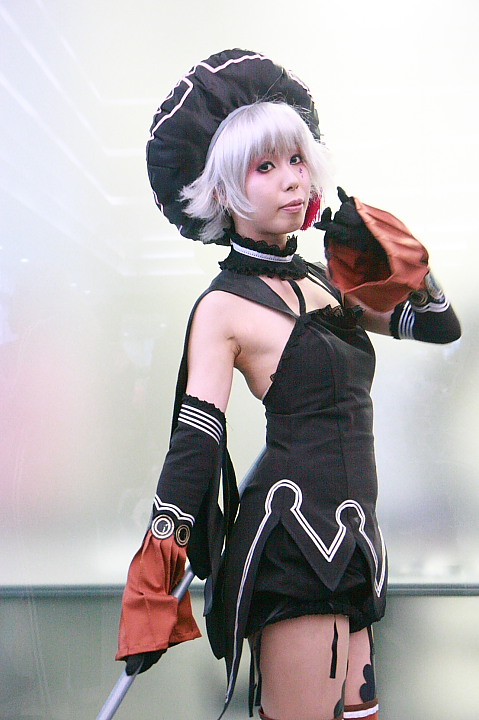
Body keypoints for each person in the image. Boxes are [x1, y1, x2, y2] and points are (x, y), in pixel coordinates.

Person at [115, 49, 461, 720]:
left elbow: (437, 325)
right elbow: (196, 440)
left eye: (296, 160)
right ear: (223, 190)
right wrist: (160, 561)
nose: (292, 180)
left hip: (355, 539)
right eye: (265, 166)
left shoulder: (326, 281)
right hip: (292, 543)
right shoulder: (223, 307)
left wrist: (388, 249)